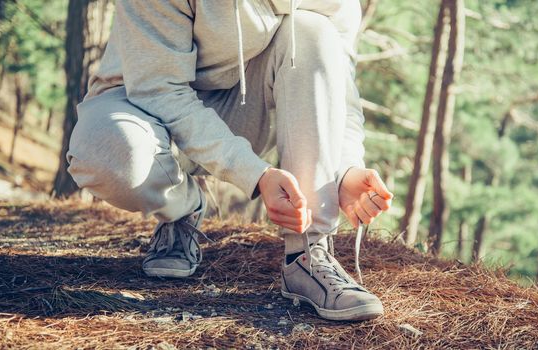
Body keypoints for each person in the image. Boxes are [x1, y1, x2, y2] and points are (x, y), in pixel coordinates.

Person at [66, 0, 393, 321]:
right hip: (140, 102)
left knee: (314, 32)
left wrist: (345, 166)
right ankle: (183, 207)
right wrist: (254, 173)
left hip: (241, 106)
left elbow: (340, 89)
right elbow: (159, 90)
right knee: (106, 152)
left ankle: (308, 253)